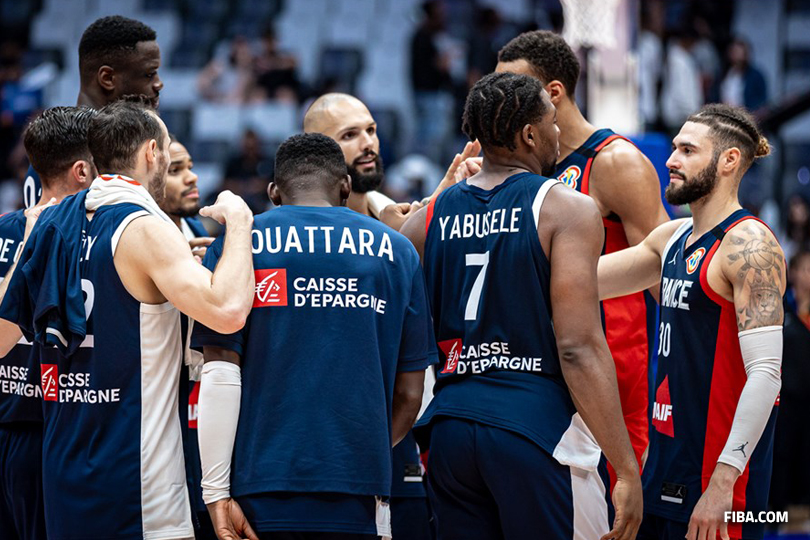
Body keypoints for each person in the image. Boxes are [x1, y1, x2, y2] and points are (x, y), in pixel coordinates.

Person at [401, 71, 642, 540]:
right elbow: (577, 347)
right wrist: (626, 468)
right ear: (529, 134)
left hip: (450, 430)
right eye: (551, 123)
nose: (557, 133)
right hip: (535, 429)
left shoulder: (426, 221)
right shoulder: (565, 208)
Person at [0, 99, 254, 539]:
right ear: (152, 153)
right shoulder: (143, 228)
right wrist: (240, 222)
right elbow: (228, 311)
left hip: (62, 479)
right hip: (135, 488)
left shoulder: (49, 223)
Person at [192, 133, 436, 540]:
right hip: (361, 486)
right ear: (345, 186)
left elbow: (220, 375)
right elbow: (411, 396)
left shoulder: (238, 246)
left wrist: (215, 492)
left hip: (260, 487)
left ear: (273, 192)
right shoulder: (398, 252)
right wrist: (362, 447)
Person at [597, 103, 783, 540]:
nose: (670, 160)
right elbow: (580, 281)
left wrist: (722, 484)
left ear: (728, 161)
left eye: (686, 150)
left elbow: (766, 374)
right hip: (663, 467)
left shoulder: (751, 245)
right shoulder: (672, 238)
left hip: (719, 487)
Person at [496, 30, 669, 476]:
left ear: (553, 93)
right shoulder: (514, 166)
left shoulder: (616, 163)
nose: (500, 102)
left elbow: (665, 282)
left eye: (513, 90)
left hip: (605, 371)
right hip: (533, 366)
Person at [0, 106, 98, 540]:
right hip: (35, 429)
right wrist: (28, 243)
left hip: (64, 427)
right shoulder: (7, 230)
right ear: (82, 171)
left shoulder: (104, 235)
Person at [23, 15, 164, 209]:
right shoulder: (82, 147)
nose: (158, 84)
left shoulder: (55, 139)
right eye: (149, 74)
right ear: (107, 78)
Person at [303, 92, 481, 232]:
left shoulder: (388, 210)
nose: (368, 143)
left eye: (371, 130)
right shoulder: (291, 234)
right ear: (315, 152)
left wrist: (439, 204)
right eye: (349, 135)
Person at [158, 134, 218, 540]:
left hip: (199, 390)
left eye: (190, 166)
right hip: (164, 393)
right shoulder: (149, 236)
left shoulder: (195, 228)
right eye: (175, 171)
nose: (191, 178)